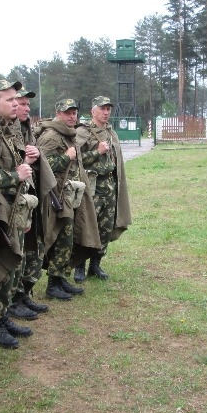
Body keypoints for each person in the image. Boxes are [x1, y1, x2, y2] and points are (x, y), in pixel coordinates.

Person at [0, 79, 37, 349]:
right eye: (10, 100)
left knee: (12, 265)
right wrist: (17, 174)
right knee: (0, 268)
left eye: (17, 100)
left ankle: (2, 316)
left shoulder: (7, 129)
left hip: (13, 207)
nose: (16, 104)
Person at [35, 99, 101, 300]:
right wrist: (66, 157)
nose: (72, 116)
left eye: (74, 113)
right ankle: (53, 283)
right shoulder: (52, 136)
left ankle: (60, 277)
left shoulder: (68, 134)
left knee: (67, 237)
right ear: (58, 113)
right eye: (68, 113)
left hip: (69, 194)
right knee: (58, 237)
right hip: (56, 195)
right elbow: (40, 165)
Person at [73, 96, 132, 282]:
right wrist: (96, 152)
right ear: (93, 111)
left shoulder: (111, 133)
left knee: (105, 228)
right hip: (92, 188)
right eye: (102, 109)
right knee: (86, 227)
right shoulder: (83, 132)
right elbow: (76, 159)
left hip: (110, 187)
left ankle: (95, 265)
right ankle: (79, 266)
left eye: (108, 109)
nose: (106, 112)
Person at [9, 86, 53, 317]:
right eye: (21, 103)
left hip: (31, 197)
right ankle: (14, 300)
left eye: (27, 104)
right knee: (19, 252)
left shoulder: (26, 129)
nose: (26, 108)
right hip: (15, 200)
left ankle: (24, 293)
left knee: (34, 249)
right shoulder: (4, 130)